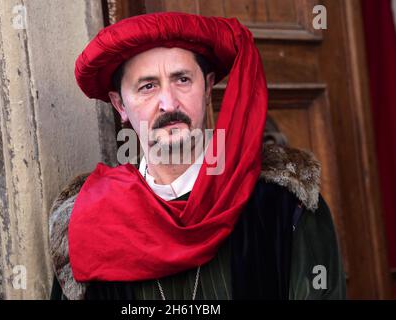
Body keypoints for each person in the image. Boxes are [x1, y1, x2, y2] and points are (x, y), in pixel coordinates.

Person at [49, 12, 346, 300]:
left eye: (182, 80)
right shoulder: (91, 221)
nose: (168, 103)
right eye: (148, 86)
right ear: (120, 105)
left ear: (206, 89)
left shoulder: (282, 202)